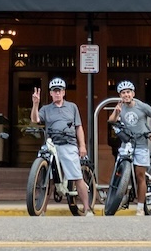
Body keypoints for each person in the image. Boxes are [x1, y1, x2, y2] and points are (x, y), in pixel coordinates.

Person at [30, 77, 94, 216]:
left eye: (59, 91)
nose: (57, 93)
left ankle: (87, 208)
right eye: (54, 91)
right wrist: (35, 104)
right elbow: (35, 120)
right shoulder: (46, 109)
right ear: (51, 93)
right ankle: (42, 211)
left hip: (68, 144)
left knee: (77, 176)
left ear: (64, 92)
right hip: (52, 144)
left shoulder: (72, 107)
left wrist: (82, 145)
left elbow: (79, 127)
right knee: (49, 179)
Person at [106, 80, 151, 216]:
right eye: (123, 93)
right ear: (120, 95)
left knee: (139, 175)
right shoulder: (120, 107)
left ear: (133, 93)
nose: (126, 95)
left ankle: (140, 207)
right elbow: (111, 121)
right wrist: (116, 112)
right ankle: (120, 197)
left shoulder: (142, 106)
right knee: (120, 171)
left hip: (141, 143)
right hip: (126, 144)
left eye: (128, 92)